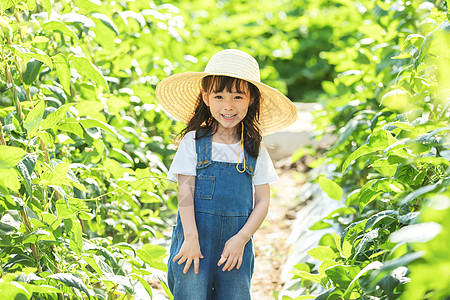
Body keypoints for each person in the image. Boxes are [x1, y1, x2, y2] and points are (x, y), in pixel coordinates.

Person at [155, 49, 297, 299]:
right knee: (191, 292)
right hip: (194, 240)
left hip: (236, 246)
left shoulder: (253, 148)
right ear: (206, 97)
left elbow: (263, 201)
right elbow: (185, 192)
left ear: (252, 99)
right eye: (219, 96)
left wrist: (241, 239)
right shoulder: (193, 142)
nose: (228, 106)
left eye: (238, 97)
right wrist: (190, 237)